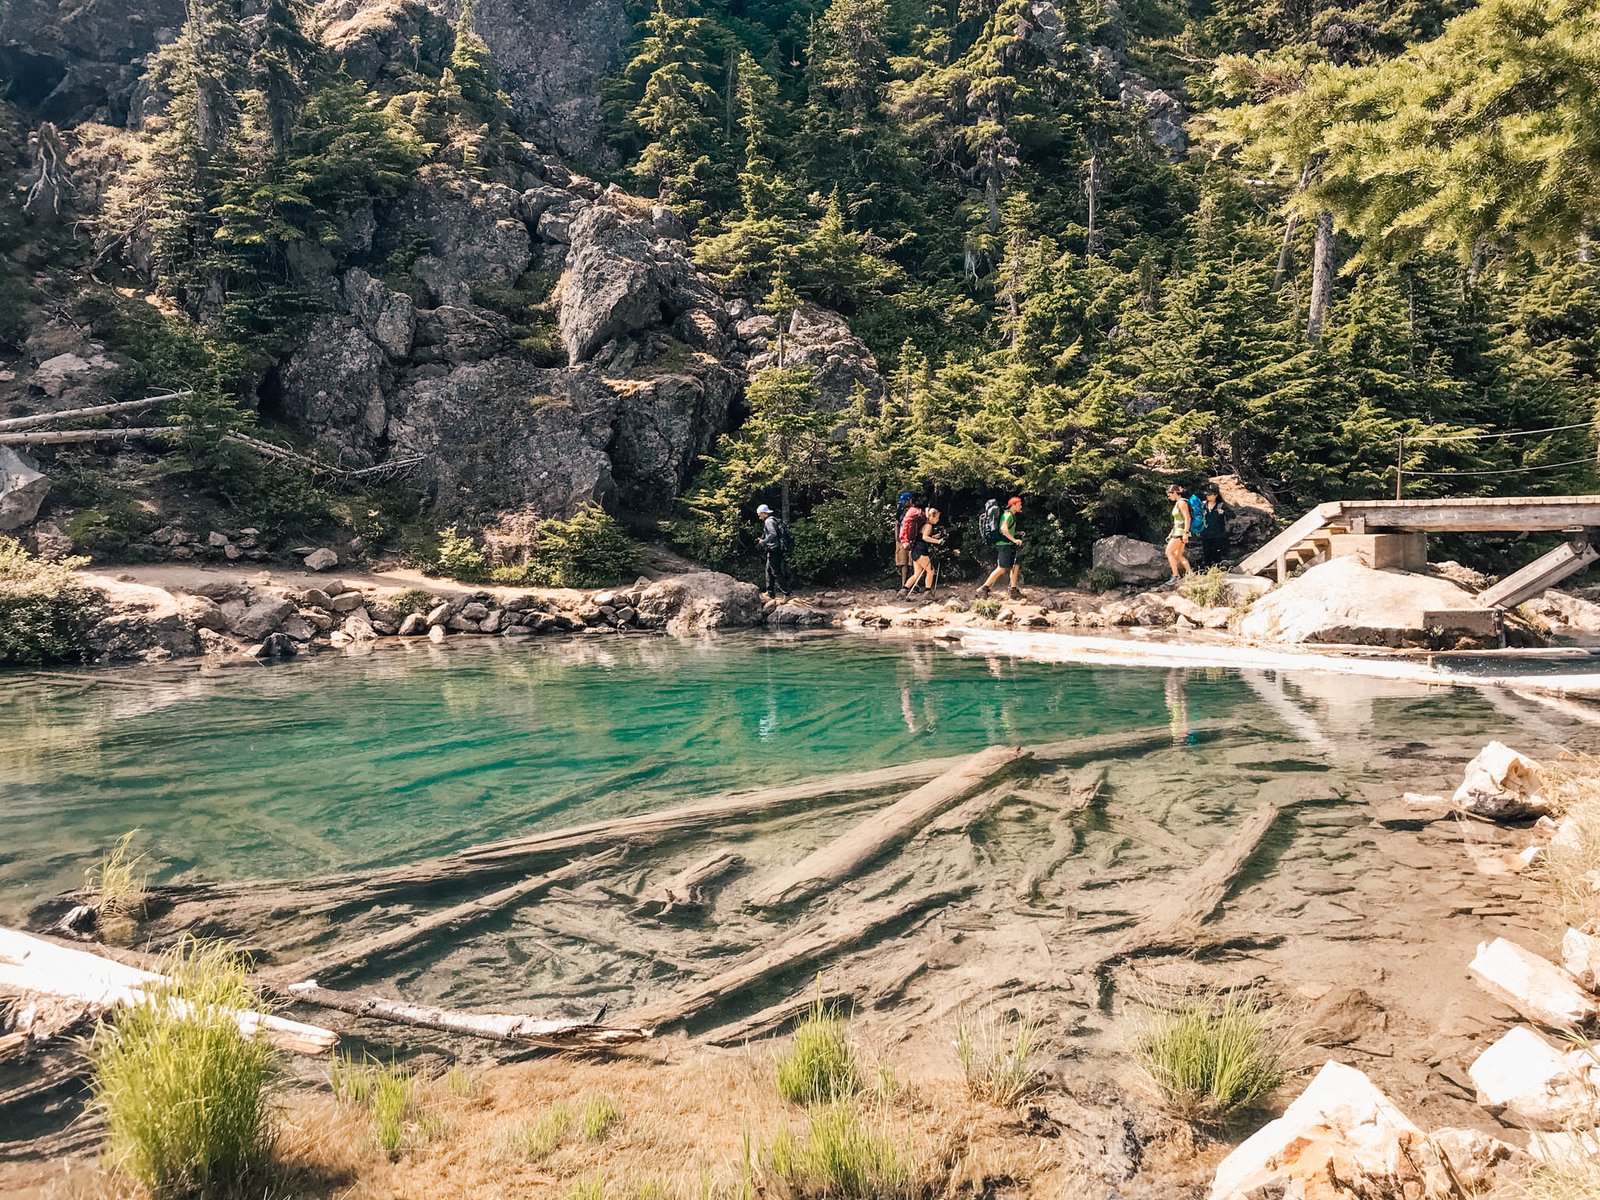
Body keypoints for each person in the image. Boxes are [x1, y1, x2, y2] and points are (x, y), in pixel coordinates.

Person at [975, 496, 1025, 600]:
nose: (1021, 506)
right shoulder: (1008, 515)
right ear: (1014, 505)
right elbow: (1003, 529)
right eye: (1019, 504)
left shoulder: (1010, 515)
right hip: (1003, 545)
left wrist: (1016, 534)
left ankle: (1013, 590)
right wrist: (1014, 540)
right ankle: (983, 589)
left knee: (1015, 566)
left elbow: (1007, 530)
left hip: (1007, 544)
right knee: (1001, 568)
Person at [900, 506, 948, 598]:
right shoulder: (929, 525)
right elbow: (925, 538)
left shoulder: (923, 524)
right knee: (930, 571)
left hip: (914, 550)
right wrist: (939, 542)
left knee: (917, 573)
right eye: (937, 518)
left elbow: (924, 537)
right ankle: (927, 593)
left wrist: (937, 537)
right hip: (921, 551)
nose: (937, 520)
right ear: (932, 517)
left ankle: (903, 591)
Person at [756, 503, 793, 599]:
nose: (759, 517)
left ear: (764, 513)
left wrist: (763, 542)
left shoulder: (768, 521)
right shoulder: (774, 520)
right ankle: (770, 592)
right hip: (776, 548)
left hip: (775, 549)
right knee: (768, 570)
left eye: (760, 515)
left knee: (776, 571)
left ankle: (787, 594)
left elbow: (773, 534)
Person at [1163, 484, 1192, 584]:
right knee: (1178, 555)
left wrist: (1186, 533)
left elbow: (1187, 518)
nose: (1169, 497)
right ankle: (1190, 574)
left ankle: (1175, 576)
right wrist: (1171, 532)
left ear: (1174, 492)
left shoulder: (1182, 503)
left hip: (1180, 532)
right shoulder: (1178, 503)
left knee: (1168, 552)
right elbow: (1178, 520)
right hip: (1177, 531)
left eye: (1169, 494)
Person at [894, 491, 922, 588]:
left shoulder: (916, 511)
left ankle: (915, 584)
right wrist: (898, 539)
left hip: (913, 539)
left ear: (909, 500)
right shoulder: (900, 511)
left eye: (904, 501)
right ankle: (903, 585)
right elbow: (897, 524)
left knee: (913, 562)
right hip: (902, 540)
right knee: (903, 562)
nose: (903, 503)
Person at [1199, 485, 1230, 568]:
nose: (1207, 496)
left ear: (1216, 495)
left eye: (1210, 494)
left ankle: (1217, 570)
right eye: (1207, 494)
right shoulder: (1203, 504)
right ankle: (1207, 569)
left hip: (1218, 533)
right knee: (1206, 552)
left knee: (1216, 552)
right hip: (1205, 533)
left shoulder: (1221, 505)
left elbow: (1232, 515)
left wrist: (1223, 512)